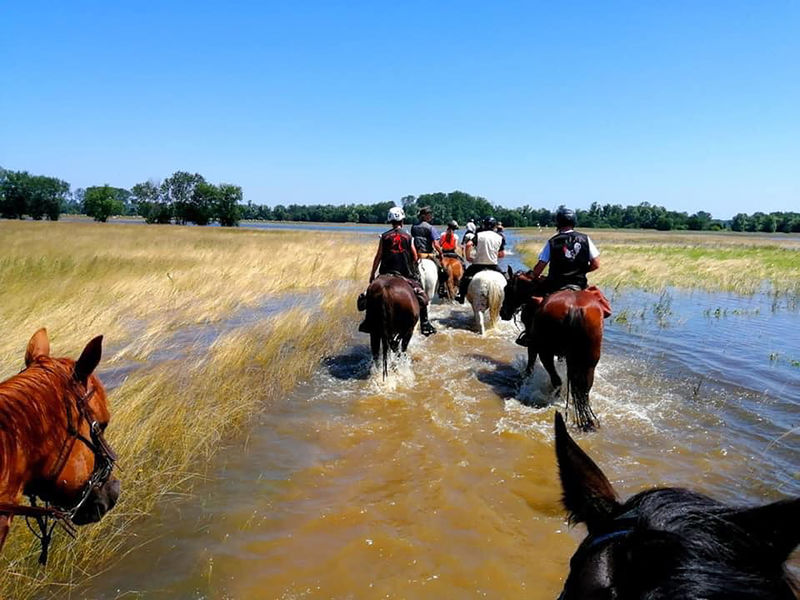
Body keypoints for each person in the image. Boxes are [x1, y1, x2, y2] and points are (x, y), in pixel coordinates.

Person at [515, 206, 600, 346]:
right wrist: (581, 271)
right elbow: (596, 264)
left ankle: (530, 335)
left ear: (558, 223)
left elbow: (540, 266)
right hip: (579, 285)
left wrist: (535, 275)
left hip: (555, 285)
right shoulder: (585, 239)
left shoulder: (553, 241)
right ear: (574, 222)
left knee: (532, 306)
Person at [358, 206, 437, 336]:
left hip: (385, 273)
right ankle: (425, 322)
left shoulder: (384, 236)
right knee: (422, 296)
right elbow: (415, 256)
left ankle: (367, 322)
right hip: (405, 274)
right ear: (402, 221)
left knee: (369, 295)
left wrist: (372, 274)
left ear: (390, 221)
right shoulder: (408, 236)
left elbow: (378, 257)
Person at [456, 216, 506, 303]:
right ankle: (507, 301)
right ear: (494, 226)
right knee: (506, 280)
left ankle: (461, 296)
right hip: (493, 265)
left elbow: (468, 245)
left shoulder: (479, 235)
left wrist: (468, 257)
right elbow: (502, 254)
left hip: (478, 265)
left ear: (484, 225)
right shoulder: (499, 237)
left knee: (464, 278)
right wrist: (493, 255)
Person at [411, 206, 446, 295]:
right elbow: (436, 244)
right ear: (424, 216)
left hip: (416, 256)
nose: (431, 216)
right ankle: (442, 288)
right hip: (428, 255)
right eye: (429, 215)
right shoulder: (431, 228)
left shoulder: (414, 227)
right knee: (443, 270)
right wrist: (441, 254)